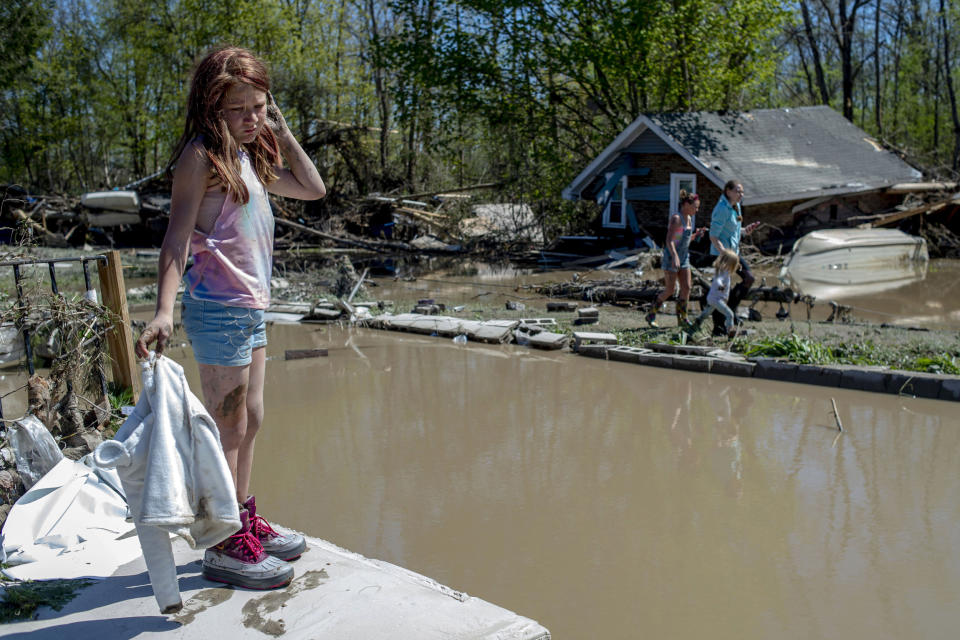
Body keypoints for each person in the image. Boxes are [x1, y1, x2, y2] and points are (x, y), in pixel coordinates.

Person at [135, 46, 326, 589]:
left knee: (252, 419)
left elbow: (313, 189)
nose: (251, 118)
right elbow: (175, 236)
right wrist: (164, 311)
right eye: (238, 109)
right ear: (209, 106)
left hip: (250, 307)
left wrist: (281, 131)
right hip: (217, 309)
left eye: (260, 106)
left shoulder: (252, 156)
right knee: (229, 425)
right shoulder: (201, 157)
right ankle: (221, 546)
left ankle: (242, 521)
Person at [646, 189, 705, 328]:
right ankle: (651, 313)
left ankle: (682, 318)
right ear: (686, 205)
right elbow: (670, 241)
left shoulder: (689, 218)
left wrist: (695, 236)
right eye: (695, 207)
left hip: (684, 258)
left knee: (687, 287)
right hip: (672, 258)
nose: (697, 210)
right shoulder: (677, 219)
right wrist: (674, 256)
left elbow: (681, 240)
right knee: (670, 290)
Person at [708, 180, 760, 334]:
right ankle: (718, 326)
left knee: (749, 278)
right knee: (721, 289)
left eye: (742, 192)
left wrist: (745, 231)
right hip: (722, 255)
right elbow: (713, 236)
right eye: (738, 191)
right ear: (728, 191)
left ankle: (730, 312)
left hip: (734, 253)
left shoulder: (736, 207)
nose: (741, 194)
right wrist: (724, 254)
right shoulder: (722, 209)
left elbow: (734, 230)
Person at [692, 248, 740, 338]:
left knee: (707, 313)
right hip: (717, 299)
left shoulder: (722, 271)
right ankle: (730, 331)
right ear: (728, 263)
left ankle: (698, 321)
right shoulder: (722, 272)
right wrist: (721, 286)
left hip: (713, 298)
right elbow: (718, 281)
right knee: (730, 314)